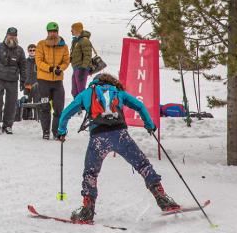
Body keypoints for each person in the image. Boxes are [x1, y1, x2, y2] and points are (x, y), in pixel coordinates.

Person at [56, 74, 180, 223]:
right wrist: (149, 124)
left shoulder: (87, 93)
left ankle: (87, 210)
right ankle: (162, 198)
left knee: (91, 173)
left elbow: (66, 113)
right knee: (143, 165)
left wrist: (62, 131)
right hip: (120, 135)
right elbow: (140, 106)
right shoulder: (118, 92)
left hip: (98, 138)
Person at [35, 22, 70, 140]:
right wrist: (50, 69)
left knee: (59, 108)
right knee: (45, 106)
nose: (53, 34)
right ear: (47, 32)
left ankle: (56, 132)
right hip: (43, 81)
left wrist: (60, 68)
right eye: (50, 32)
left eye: (54, 32)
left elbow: (66, 61)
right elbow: (38, 61)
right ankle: (45, 131)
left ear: (58, 32)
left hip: (57, 82)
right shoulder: (41, 44)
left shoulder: (64, 46)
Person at [0, 27, 26, 134]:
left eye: (14, 35)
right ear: (6, 35)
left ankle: (8, 125)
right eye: (10, 35)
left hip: (13, 80)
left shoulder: (20, 50)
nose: (11, 37)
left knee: (11, 103)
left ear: (16, 37)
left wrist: (23, 80)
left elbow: (23, 66)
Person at [70, 22, 93, 97]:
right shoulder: (76, 40)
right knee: (74, 91)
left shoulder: (84, 40)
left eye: (73, 29)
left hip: (82, 68)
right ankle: (77, 103)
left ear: (77, 30)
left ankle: (84, 103)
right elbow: (74, 54)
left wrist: (83, 68)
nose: (71, 31)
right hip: (76, 68)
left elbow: (87, 55)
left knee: (81, 90)